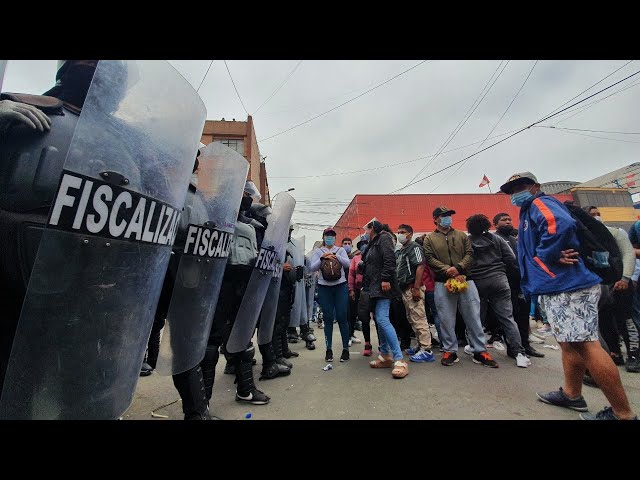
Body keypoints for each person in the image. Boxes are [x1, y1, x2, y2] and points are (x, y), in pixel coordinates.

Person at [501, 171, 637, 420]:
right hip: (558, 286)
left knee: (586, 344)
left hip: (568, 285)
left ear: (536, 186)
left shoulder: (539, 203)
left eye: (522, 185)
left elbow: (559, 225)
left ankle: (623, 413)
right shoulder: (529, 209)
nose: (516, 192)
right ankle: (572, 394)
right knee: (568, 342)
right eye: (511, 189)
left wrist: (548, 255)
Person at [423, 207, 498, 368]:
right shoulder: (429, 239)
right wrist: (447, 270)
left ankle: (480, 351)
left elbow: (470, 254)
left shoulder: (461, 235)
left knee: (473, 317)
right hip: (442, 282)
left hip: (465, 280)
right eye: (444, 216)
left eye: (449, 215)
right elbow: (429, 258)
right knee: (446, 318)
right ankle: (450, 350)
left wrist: (458, 267)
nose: (448, 218)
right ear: (435, 219)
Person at [466, 214, 530, 368]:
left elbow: (463, 262)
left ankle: (476, 347)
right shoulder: (497, 239)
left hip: (477, 282)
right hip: (500, 281)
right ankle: (519, 353)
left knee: (477, 318)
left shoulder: (467, 242)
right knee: (507, 318)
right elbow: (511, 258)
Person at [362, 221, 409, 378]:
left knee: (382, 319)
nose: (365, 232)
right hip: (374, 288)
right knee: (378, 320)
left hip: (384, 287)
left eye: (367, 229)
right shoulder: (373, 243)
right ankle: (385, 355)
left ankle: (399, 359)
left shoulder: (384, 238)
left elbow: (389, 260)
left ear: (373, 229)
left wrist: (386, 279)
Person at [310, 228, 352, 362]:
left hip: (340, 286)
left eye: (332, 236)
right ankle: (329, 350)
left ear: (335, 238)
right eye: (327, 235)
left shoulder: (340, 250)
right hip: (324, 287)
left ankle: (345, 349)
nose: (330, 238)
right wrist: (323, 257)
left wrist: (335, 256)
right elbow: (312, 267)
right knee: (327, 318)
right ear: (323, 237)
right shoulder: (318, 252)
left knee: (341, 316)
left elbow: (348, 263)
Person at [395, 224, 435, 363]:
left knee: (419, 317)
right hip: (405, 289)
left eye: (403, 232)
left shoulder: (415, 248)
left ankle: (427, 350)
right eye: (398, 232)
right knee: (412, 318)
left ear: (410, 234)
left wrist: (417, 287)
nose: (400, 234)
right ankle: (420, 345)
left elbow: (420, 266)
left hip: (413, 288)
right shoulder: (401, 250)